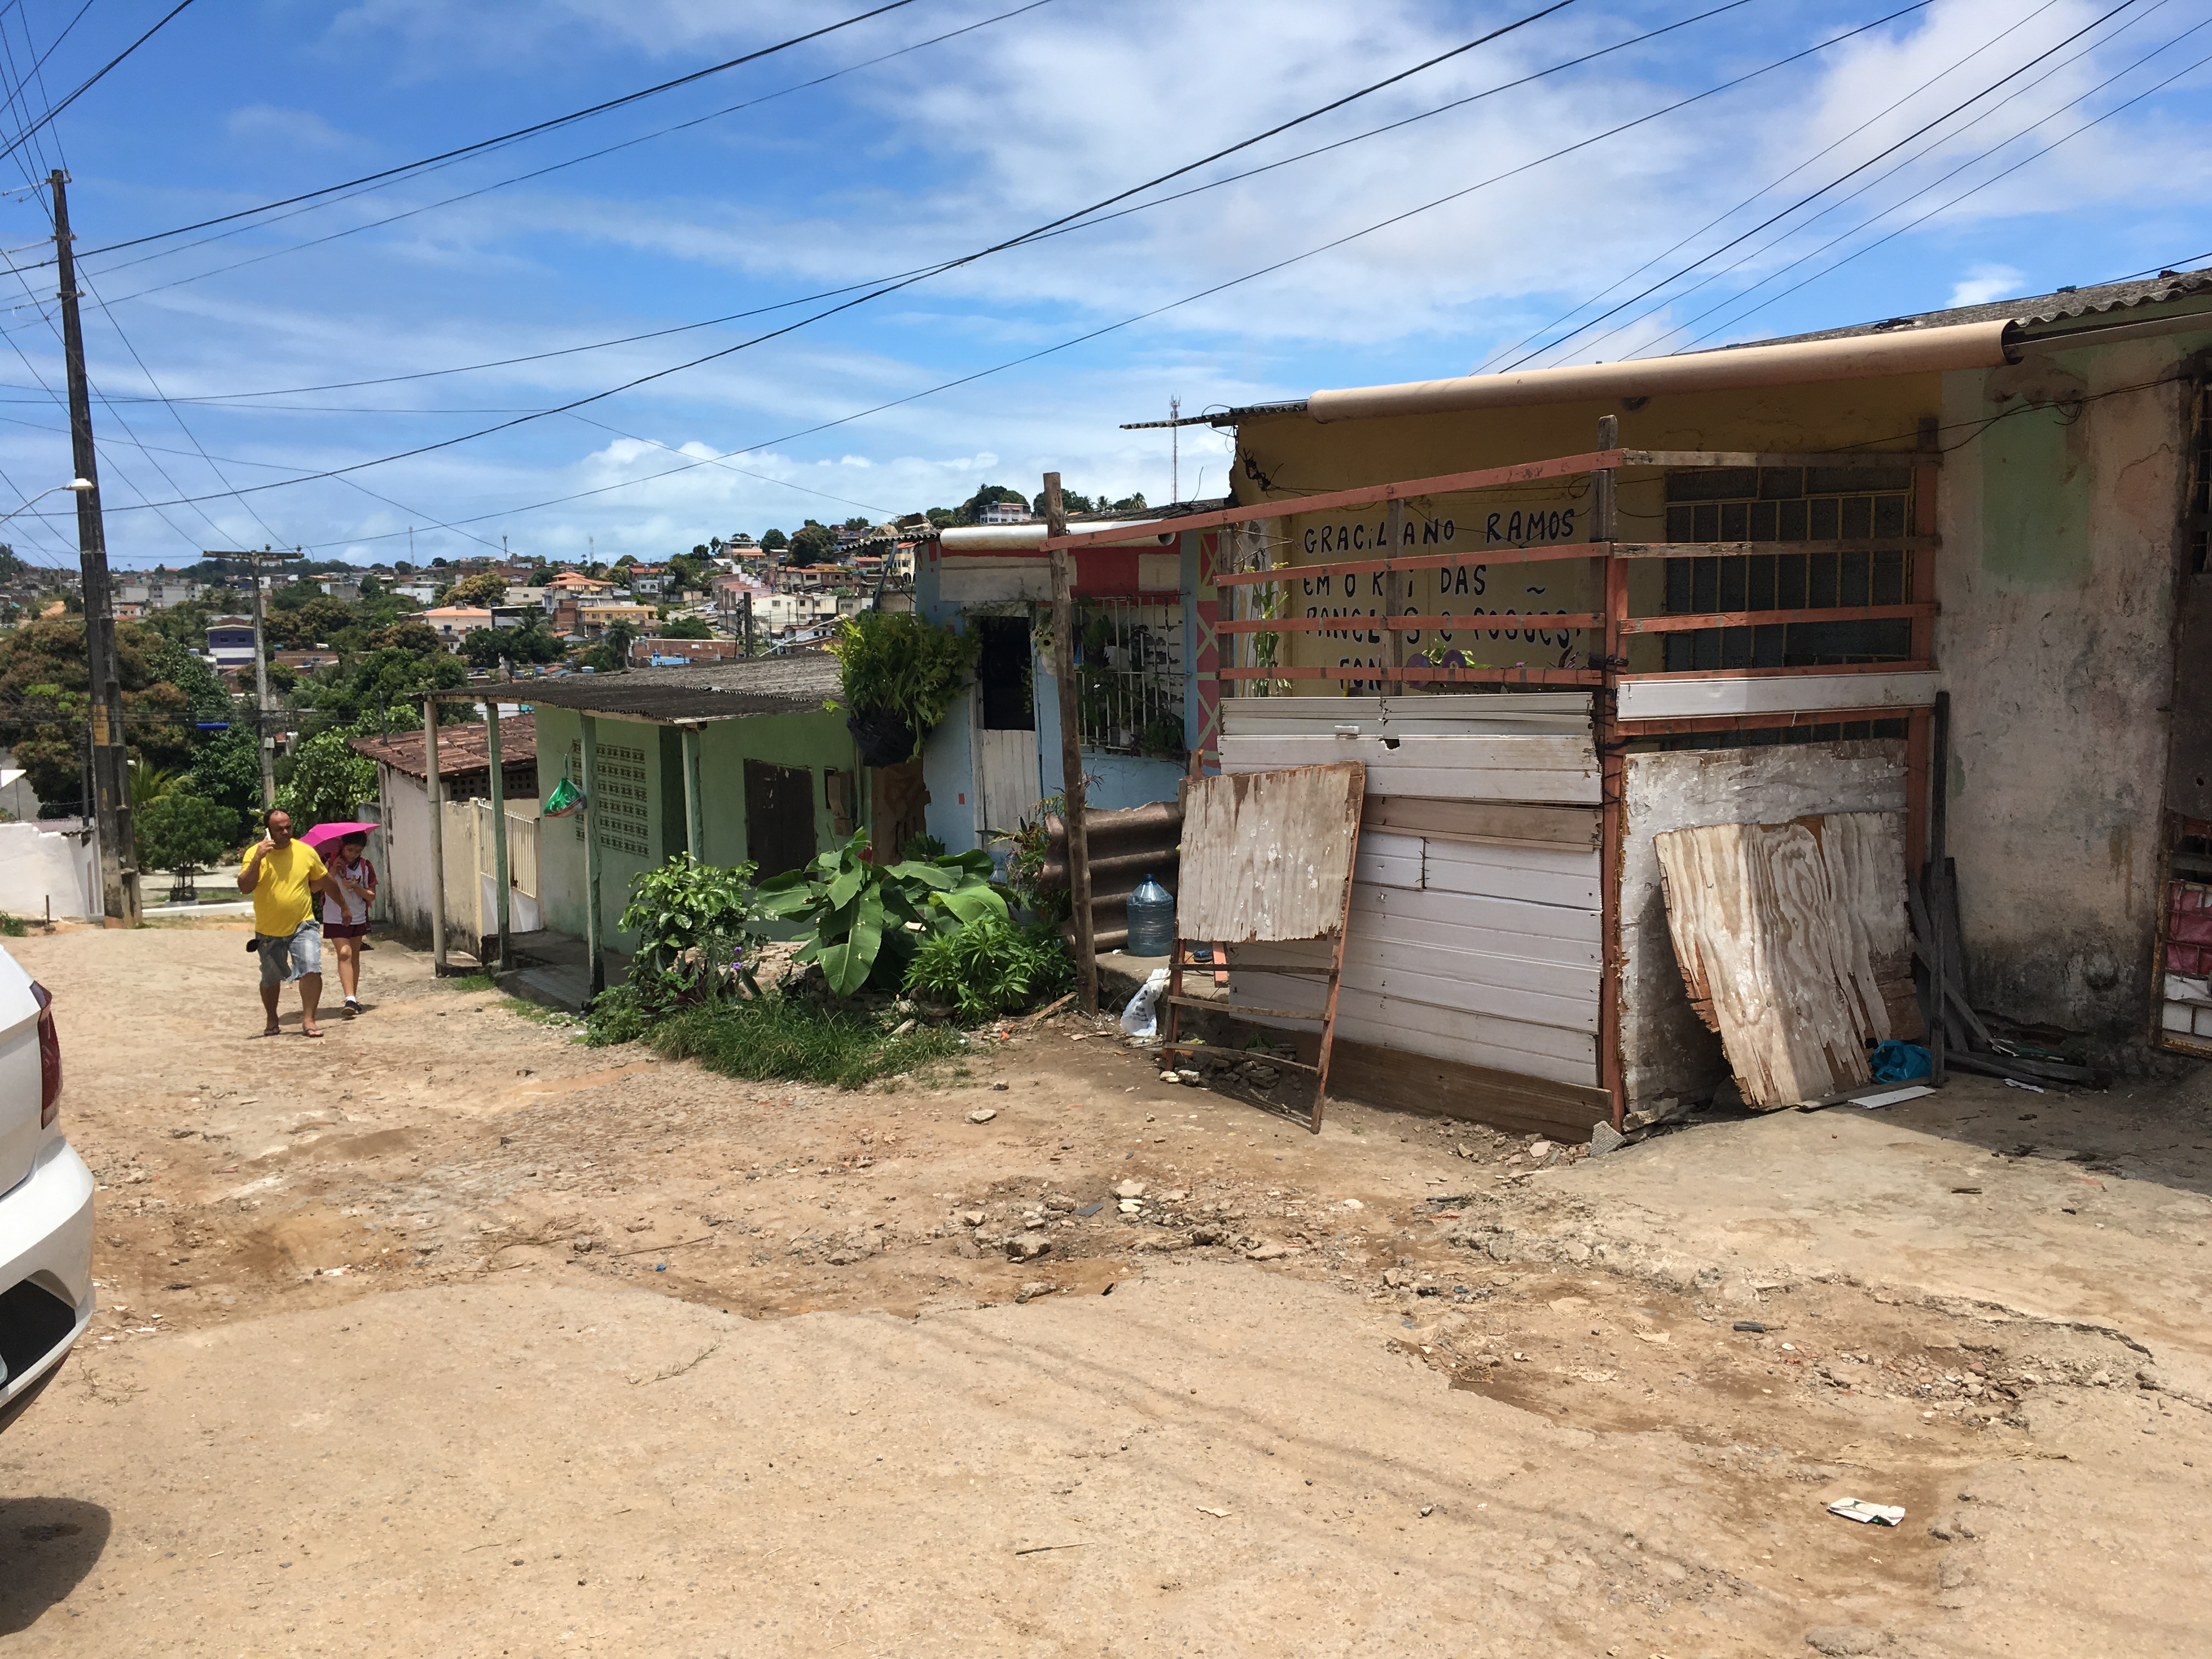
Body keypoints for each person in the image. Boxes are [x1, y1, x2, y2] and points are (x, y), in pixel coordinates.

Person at [237, 808, 338, 1037]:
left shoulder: (305, 852)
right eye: (279, 829)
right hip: (268, 930)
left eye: (288, 827)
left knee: (312, 968)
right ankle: (272, 1018)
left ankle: (309, 1020)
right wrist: (258, 859)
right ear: (268, 831)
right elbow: (245, 887)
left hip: (303, 923)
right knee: (271, 977)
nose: (285, 832)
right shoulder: (255, 854)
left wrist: (343, 907)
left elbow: (326, 880)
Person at [321, 831, 377, 1017]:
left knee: (354, 957)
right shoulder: (328, 862)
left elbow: (372, 895)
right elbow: (314, 887)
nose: (353, 854)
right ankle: (350, 999)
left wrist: (356, 887)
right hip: (334, 915)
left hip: (358, 915)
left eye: (358, 851)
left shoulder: (365, 866)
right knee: (344, 953)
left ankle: (352, 998)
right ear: (342, 847)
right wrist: (332, 873)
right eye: (350, 849)